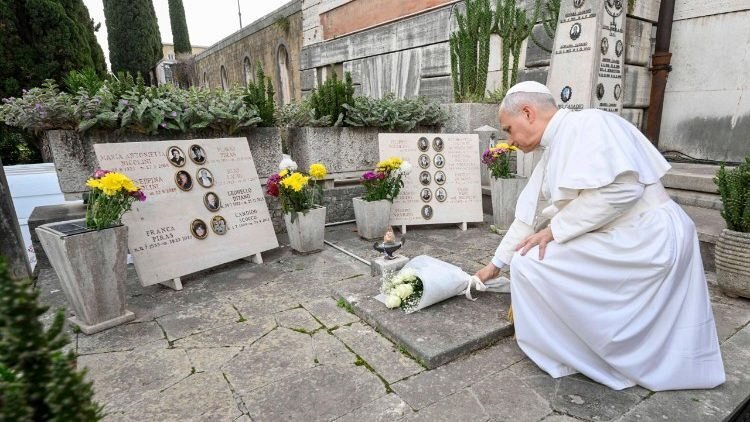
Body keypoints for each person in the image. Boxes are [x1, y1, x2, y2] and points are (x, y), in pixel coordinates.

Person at [473, 81, 725, 391]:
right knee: (528, 259)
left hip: (648, 237)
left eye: (509, 129)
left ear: (527, 112)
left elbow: (624, 188)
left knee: (531, 263)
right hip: (628, 234)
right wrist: (496, 264)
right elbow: (528, 217)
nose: (509, 140)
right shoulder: (556, 145)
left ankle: (574, 351)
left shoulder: (590, 123)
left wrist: (555, 231)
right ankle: (578, 343)